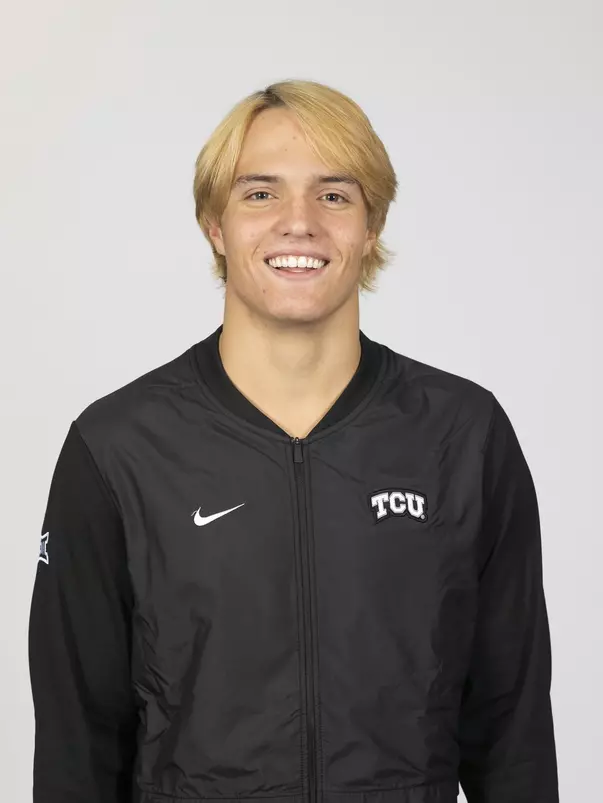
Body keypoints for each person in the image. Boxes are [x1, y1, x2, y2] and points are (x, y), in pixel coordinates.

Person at [28, 79, 559, 803]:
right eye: (259, 194)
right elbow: (75, 746)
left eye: (334, 195)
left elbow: (513, 734)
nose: (298, 223)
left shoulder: (462, 436)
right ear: (214, 225)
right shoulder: (117, 447)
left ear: (370, 227)